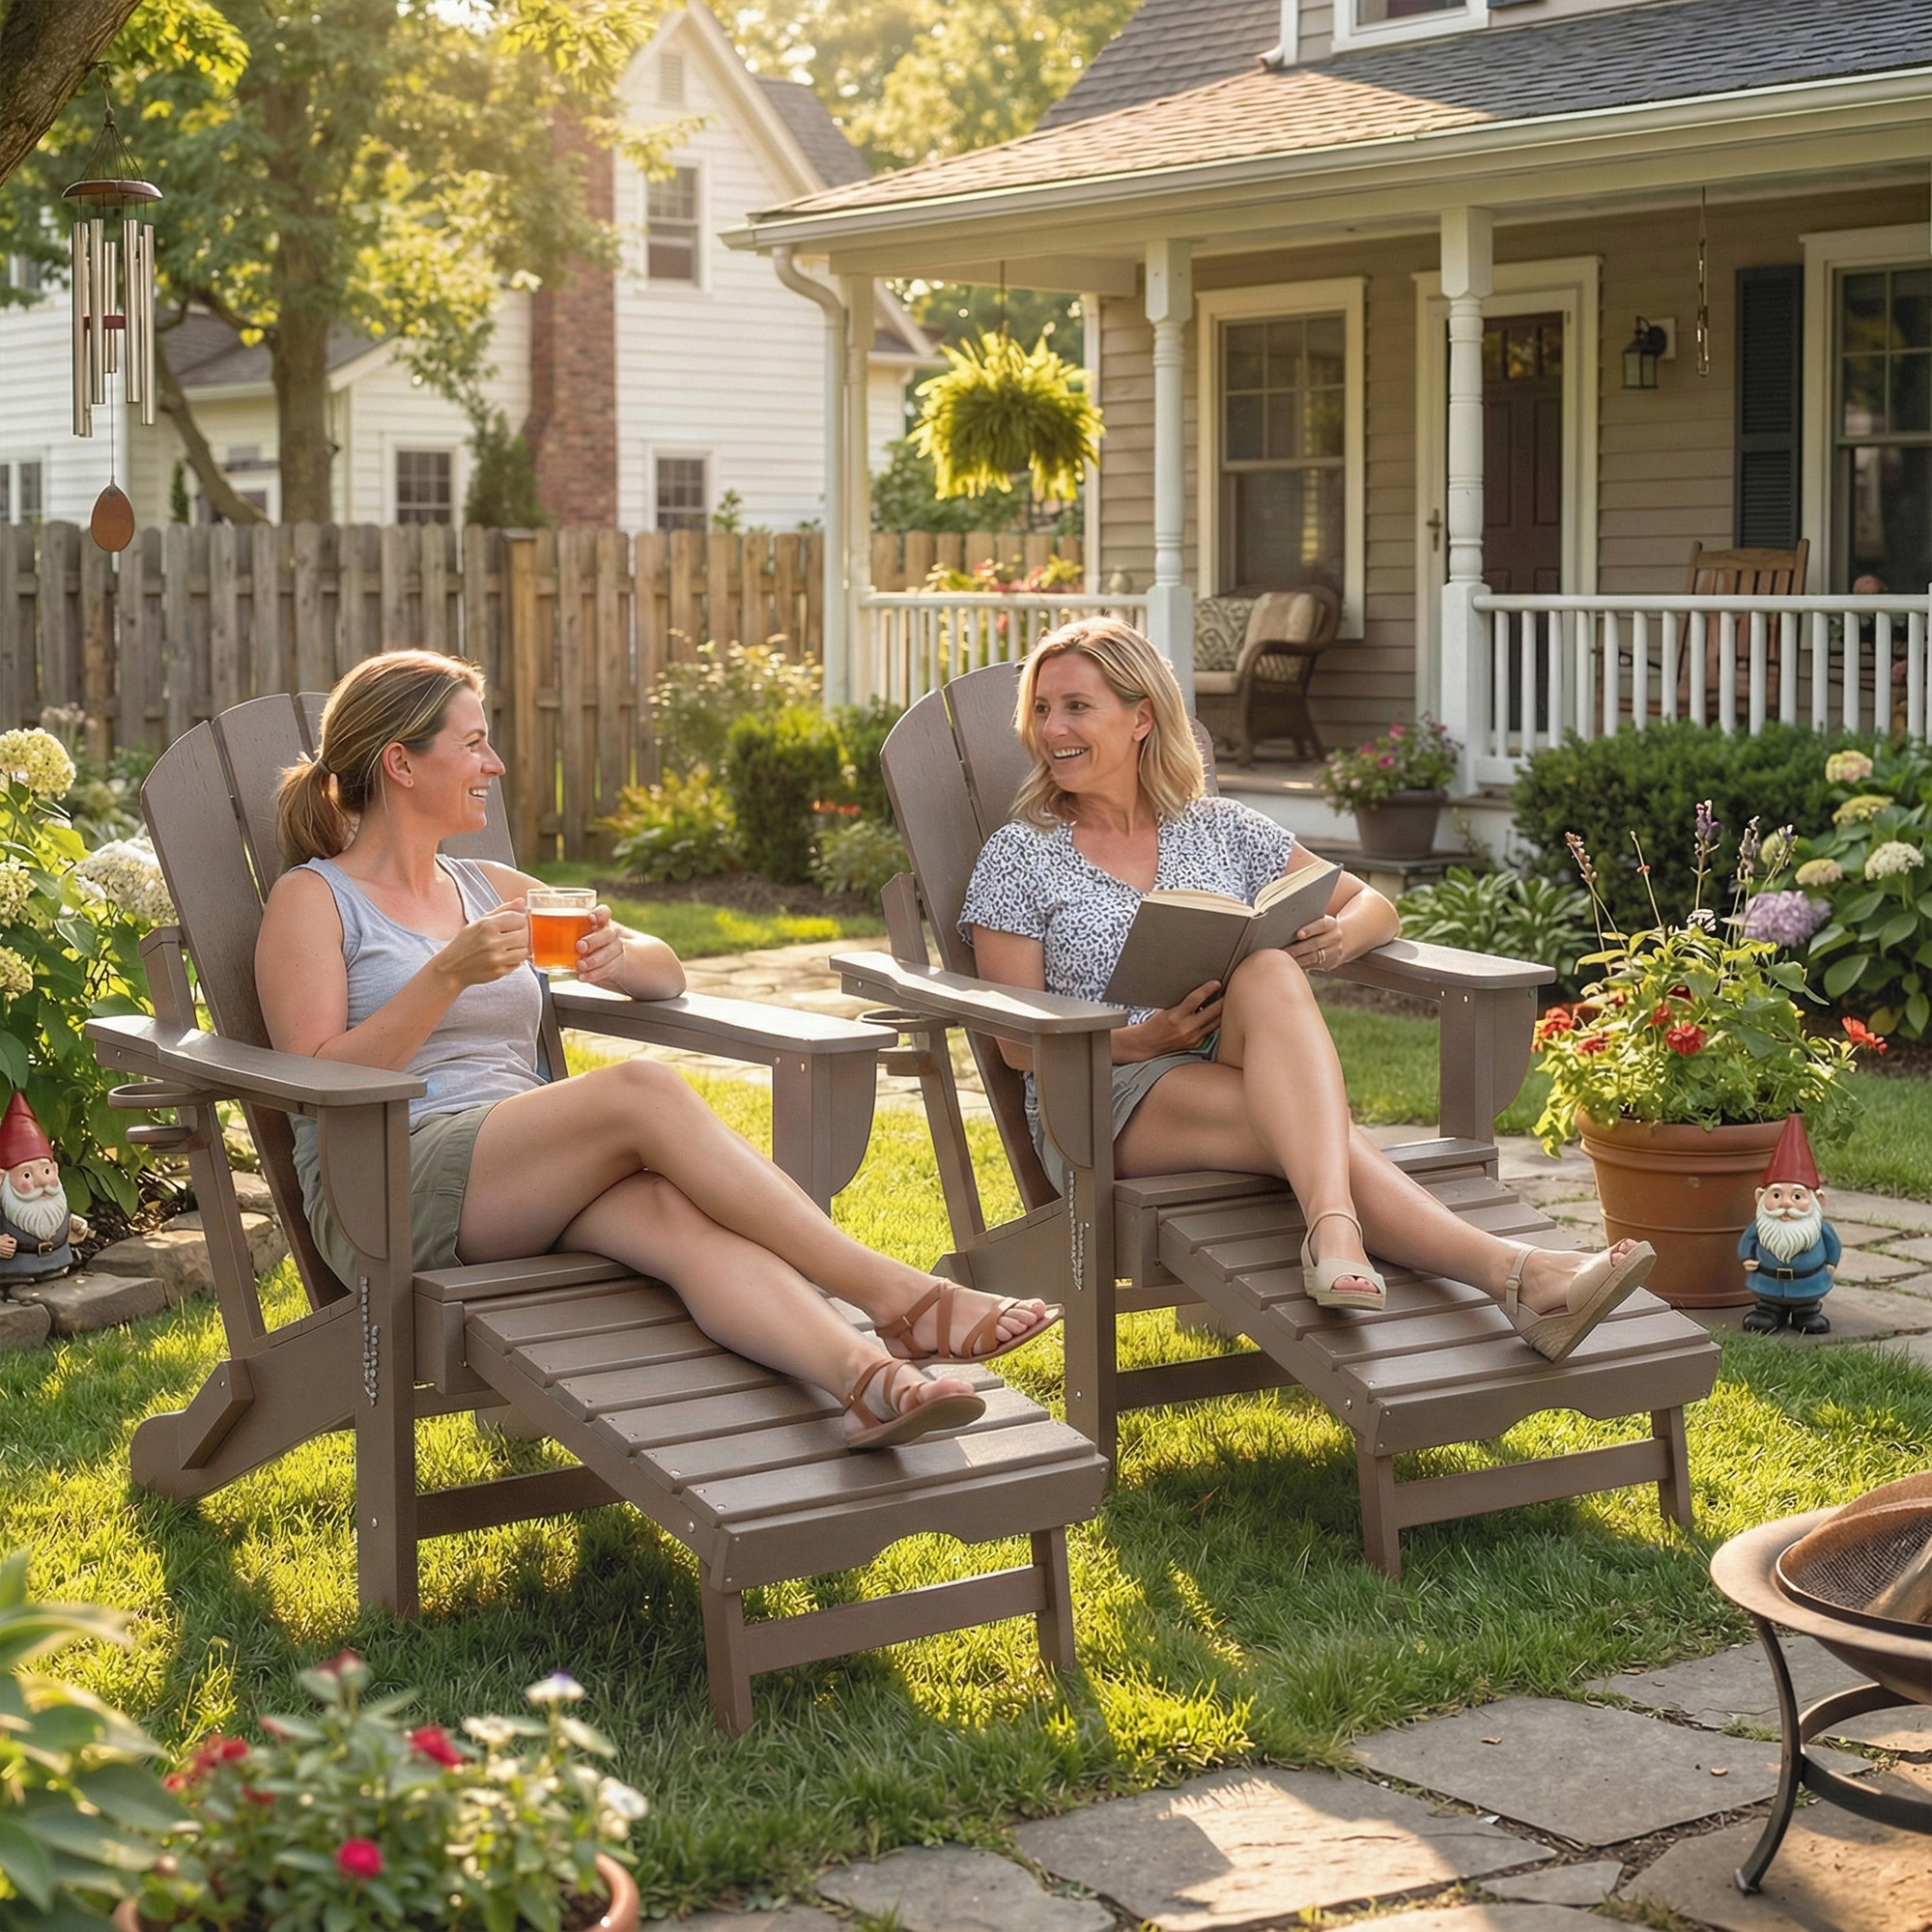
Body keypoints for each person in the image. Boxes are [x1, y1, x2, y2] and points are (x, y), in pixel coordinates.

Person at [254, 650, 1058, 1450]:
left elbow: (663, 967)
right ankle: (899, 1296)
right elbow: (316, 1077)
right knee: (640, 1089)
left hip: (521, 1164)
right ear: (400, 762)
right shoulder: (315, 898)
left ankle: (870, 1378)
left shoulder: (486, 885)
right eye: (472, 745)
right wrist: (445, 976)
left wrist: (618, 956)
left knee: (678, 1220)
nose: (493, 765)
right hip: (387, 1184)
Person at [959, 617, 1656, 1362]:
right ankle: (1505, 1270)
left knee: (1269, 969)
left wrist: (1343, 936)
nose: (1051, 729)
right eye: (1040, 708)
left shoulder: (1219, 828)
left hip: (1225, 1061)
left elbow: (1370, 902)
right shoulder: (1019, 854)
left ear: (1142, 718)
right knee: (1313, 1128)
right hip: (1099, 1097)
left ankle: (1380, 1242)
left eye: (1075, 707)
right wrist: (1147, 1038)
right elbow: (1015, 1044)